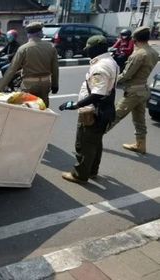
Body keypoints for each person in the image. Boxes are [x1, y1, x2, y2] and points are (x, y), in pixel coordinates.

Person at [58, 36, 119, 183]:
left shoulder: (100, 66)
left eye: (89, 49)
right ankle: (92, 171)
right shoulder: (111, 62)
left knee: (85, 144)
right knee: (95, 142)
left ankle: (80, 175)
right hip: (104, 109)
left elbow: (98, 93)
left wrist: (75, 105)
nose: (87, 52)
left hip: (93, 111)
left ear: (96, 48)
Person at [106, 26, 159, 154]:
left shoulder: (139, 54)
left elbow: (127, 74)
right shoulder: (153, 52)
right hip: (144, 89)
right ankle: (140, 145)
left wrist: (110, 81)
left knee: (114, 116)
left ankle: (93, 139)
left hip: (133, 92)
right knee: (139, 120)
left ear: (134, 39)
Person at [0, 22, 59, 108]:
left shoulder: (23, 49)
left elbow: (12, 69)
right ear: (40, 33)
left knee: (29, 111)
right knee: (44, 109)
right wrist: (55, 85)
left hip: (29, 85)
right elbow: (55, 68)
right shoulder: (51, 47)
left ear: (28, 35)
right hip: (45, 84)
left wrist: (0, 88)